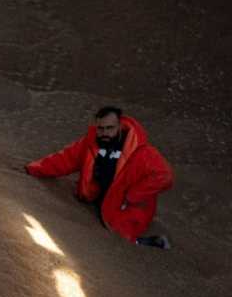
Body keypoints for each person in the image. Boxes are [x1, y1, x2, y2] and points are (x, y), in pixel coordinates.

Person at [24, 106, 174, 248]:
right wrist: (33, 169)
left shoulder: (142, 152)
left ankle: (149, 242)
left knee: (120, 235)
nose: (105, 133)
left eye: (110, 128)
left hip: (130, 207)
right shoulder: (90, 143)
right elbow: (65, 159)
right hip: (98, 199)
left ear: (120, 126)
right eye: (101, 128)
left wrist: (132, 196)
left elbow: (165, 176)